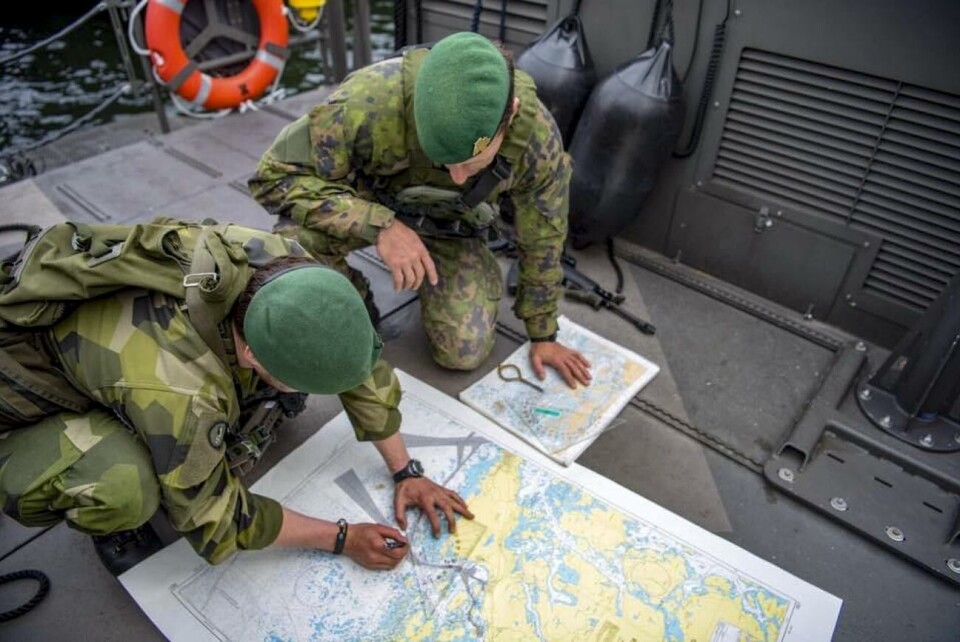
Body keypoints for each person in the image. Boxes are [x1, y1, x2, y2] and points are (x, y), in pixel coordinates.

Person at [0, 234, 472, 576]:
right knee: (125, 487)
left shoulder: (290, 273)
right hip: (29, 402)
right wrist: (343, 538)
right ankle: (108, 520)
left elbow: (349, 360)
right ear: (249, 353)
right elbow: (216, 521)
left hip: (121, 361)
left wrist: (406, 472)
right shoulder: (184, 392)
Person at [249, 31, 593, 388]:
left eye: (472, 163)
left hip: (452, 227)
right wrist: (379, 225)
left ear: (511, 117)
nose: (459, 178)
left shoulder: (537, 140)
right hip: (369, 203)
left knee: (464, 350)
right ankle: (354, 300)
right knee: (294, 246)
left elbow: (544, 238)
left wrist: (543, 333)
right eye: (444, 161)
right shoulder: (370, 100)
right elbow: (273, 177)